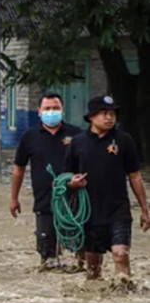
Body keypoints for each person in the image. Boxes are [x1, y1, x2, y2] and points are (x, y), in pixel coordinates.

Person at [65, 95, 150, 281]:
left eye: (112, 114)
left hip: (118, 209)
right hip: (88, 211)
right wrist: (72, 183)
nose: (109, 118)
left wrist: (145, 209)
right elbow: (66, 177)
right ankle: (95, 301)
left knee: (120, 253)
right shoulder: (77, 143)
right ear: (91, 117)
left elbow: (134, 175)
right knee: (93, 265)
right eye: (104, 114)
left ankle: (124, 293)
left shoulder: (124, 140)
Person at [11, 93, 82, 270]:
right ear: (39, 112)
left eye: (55, 108)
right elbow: (19, 169)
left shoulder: (76, 134)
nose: (52, 112)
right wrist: (14, 198)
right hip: (44, 202)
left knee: (80, 250)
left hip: (74, 201)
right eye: (47, 108)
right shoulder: (30, 137)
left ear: (62, 110)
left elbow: (87, 165)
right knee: (48, 256)